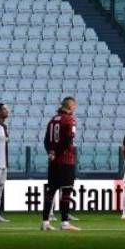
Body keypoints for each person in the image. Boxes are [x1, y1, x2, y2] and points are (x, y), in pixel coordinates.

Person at [41, 97, 80, 231]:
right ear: (70, 105)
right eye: (74, 106)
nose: (75, 108)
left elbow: (46, 140)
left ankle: (45, 222)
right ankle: (65, 223)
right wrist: (58, 152)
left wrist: (50, 152)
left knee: (51, 190)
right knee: (67, 191)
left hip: (53, 161)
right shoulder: (70, 120)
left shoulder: (52, 120)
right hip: (66, 160)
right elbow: (69, 140)